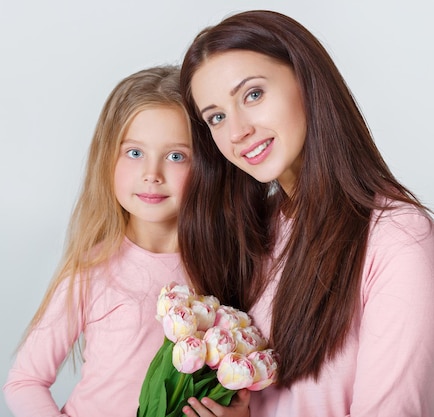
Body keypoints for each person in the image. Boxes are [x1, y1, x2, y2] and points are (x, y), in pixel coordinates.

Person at [176, 9, 434, 417]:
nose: (237, 130)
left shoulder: (397, 238)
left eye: (253, 94)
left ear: (307, 82)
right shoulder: (255, 232)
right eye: (217, 117)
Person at [4, 65, 248, 417]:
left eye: (176, 156)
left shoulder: (228, 266)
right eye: (135, 153)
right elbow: (24, 381)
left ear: (207, 167)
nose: (152, 174)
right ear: (108, 158)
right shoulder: (91, 270)